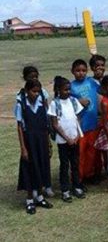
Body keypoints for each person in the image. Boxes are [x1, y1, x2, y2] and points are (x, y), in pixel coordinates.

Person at [15, 79, 53, 214]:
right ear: (26, 91)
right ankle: (30, 200)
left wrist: (48, 142)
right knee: (31, 168)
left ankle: (40, 197)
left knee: (42, 166)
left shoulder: (41, 102)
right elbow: (19, 126)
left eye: (38, 91)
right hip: (29, 141)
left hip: (41, 139)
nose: (36, 94)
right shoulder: (22, 104)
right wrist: (23, 148)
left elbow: (46, 125)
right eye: (33, 91)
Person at [48, 76, 86, 203]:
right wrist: (66, 138)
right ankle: (65, 190)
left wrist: (76, 136)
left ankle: (77, 186)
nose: (68, 92)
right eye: (65, 90)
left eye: (69, 89)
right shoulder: (55, 103)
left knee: (75, 163)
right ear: (58, 90)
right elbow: (55, 124)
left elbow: (78, 118)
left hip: (74, 139)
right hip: (63, 141)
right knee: (64, 165)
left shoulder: (74, 101)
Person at [70, 59, 102, 186]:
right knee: (80, 153)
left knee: (91, 152)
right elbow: (65, 101)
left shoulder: (91, 82)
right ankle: (78, 178)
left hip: (93, 124)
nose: (81, 73)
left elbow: (101, 90)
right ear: (72, 71)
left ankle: (89, 174)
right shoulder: (71, 86)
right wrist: (78, 102)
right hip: (80, 127)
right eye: (78, 71)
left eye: (83, 70)